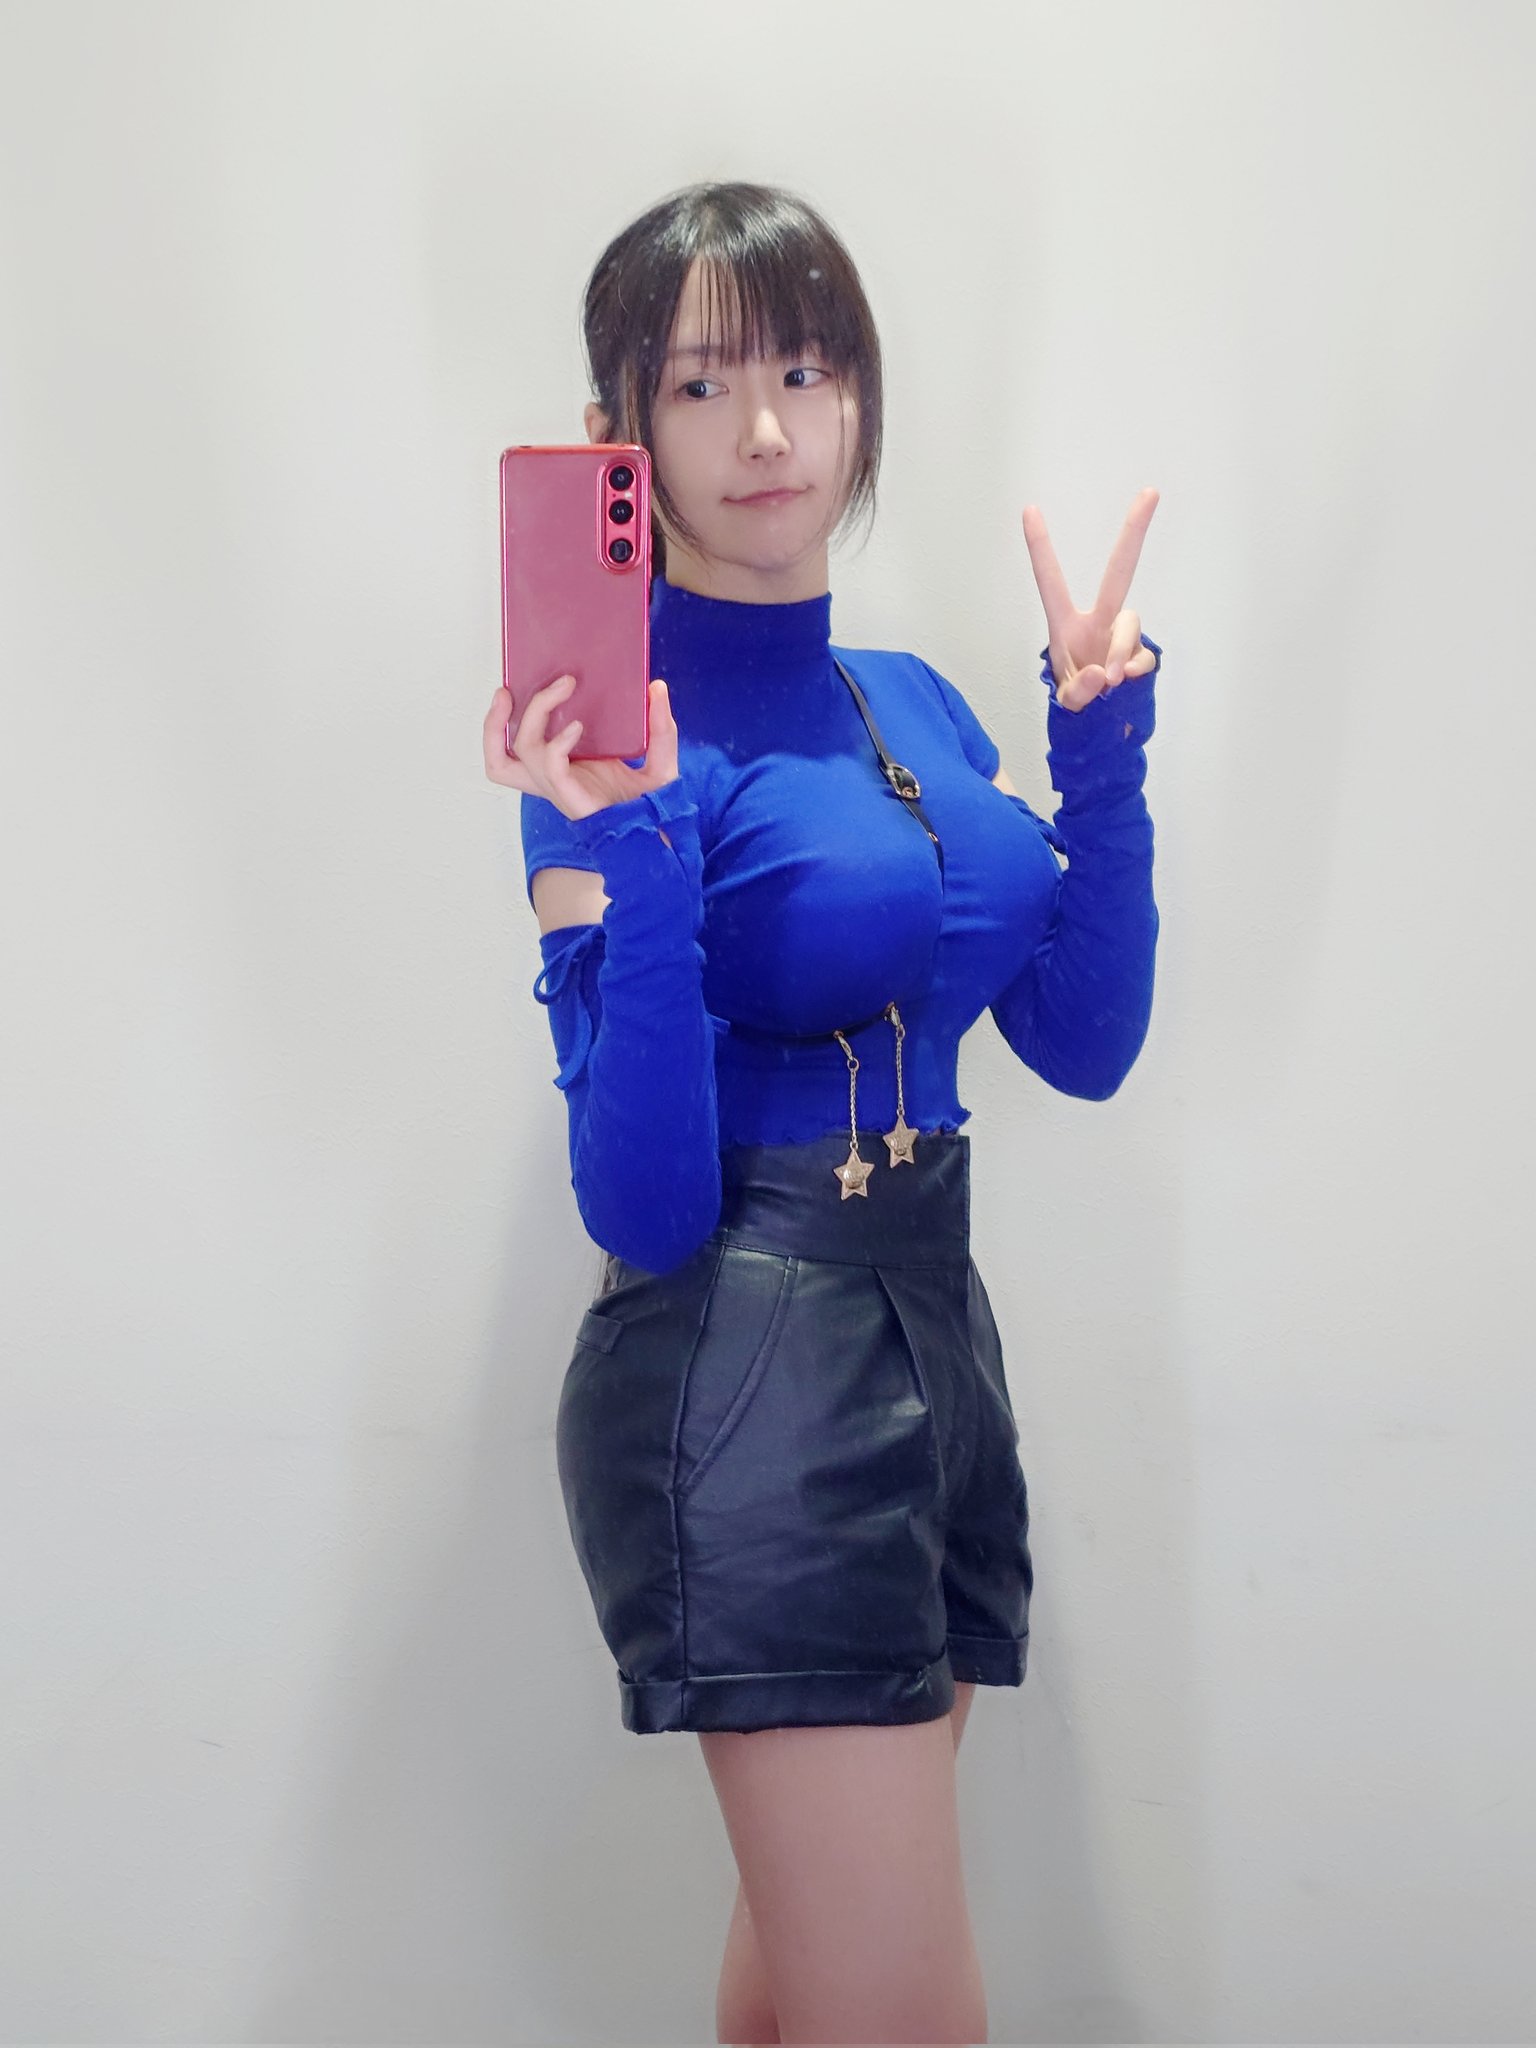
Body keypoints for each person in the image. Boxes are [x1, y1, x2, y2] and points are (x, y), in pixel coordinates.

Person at [482, 180, 1162, 2047]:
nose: (767, 432)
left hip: (933, 1332)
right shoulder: (605, 739)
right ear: (622, 435)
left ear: (860, 396)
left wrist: (1098, 752)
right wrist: (639, 850)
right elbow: (641, 1207)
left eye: (803, 369)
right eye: (701, 387)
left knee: (811, 1997)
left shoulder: (914, 701)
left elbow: (1082, 1042)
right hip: (745, 1375)